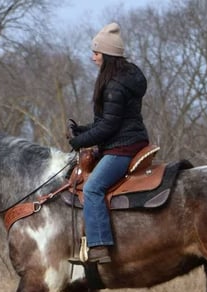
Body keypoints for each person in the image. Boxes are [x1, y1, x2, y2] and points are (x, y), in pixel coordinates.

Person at [68, 22, 149, 264]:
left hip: (123, 146)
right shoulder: (123, 77)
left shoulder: (114, 85)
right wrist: (82, 130)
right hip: (128, 140)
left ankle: (99, 245)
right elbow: (107, 121)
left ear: (108, 55)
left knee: (92, 188)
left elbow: (109, 127)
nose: (92, 57)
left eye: (96, 52)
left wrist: (79, 142)